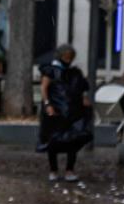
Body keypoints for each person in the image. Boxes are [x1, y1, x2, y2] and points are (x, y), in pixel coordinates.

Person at [39, 44, 93, 184]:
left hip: (72, 111)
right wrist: (47, 105)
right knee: (53, 140)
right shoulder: (51, 70)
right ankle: (53, 169)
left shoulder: (74, 73)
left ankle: (70, 169)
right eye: (66, 57)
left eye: (70, 57)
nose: (68, 59)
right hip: (56, 110)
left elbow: (81, 89)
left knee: (73, 140)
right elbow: (44, 88)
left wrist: (83, 99)